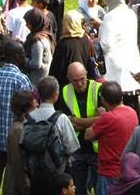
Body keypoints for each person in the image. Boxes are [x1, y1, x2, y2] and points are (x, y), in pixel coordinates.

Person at [0, 40, 34, 195]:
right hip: (14, 140)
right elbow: (30, 109)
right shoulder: (21, 79)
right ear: (16, 56)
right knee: (11, 181)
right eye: (23, 53)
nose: (25, 56)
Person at [23, 76, 80, 191]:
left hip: (34, 173)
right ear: (56, 95)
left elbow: (23, 144)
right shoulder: (61, 118)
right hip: (58, 174)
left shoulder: (29, 118)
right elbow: (72, 147)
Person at [84, 81, 139, 195]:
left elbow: (87, 135)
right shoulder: (132, 112)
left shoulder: (107, 118)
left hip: (108, 173)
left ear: (103, 100)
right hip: (127, 170)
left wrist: (100, 117)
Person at [58, 62, 101, 195]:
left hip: (97, 150)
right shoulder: (65, 91)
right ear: (69, 79)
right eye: (75, 81)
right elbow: (66, 122)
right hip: (76, 149)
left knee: (100, 188)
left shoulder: (98, 88)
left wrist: (77, 120)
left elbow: (103, 120)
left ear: (87, 75)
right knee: (79, 189)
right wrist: (92, 120)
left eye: (82, 79)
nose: (79, 84)